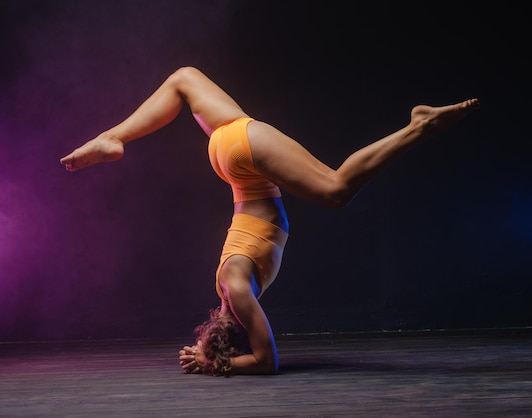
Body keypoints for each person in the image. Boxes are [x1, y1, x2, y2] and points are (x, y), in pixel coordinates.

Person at [60, 66, 480, 376]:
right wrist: (211, 359)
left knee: (336, 189)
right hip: (236, 159)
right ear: (225, 325)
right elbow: (265, 359)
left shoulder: (237, 286)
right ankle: (115, 136)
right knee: (184, 78)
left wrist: (213, 362)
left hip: (243, 157)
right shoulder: (234, 286)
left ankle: (419, 127)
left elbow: (264, 361)